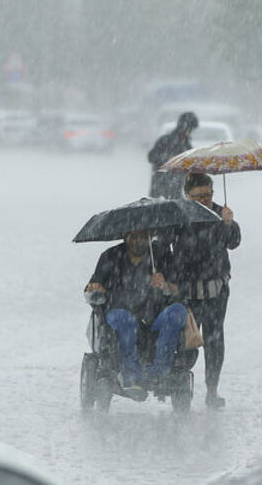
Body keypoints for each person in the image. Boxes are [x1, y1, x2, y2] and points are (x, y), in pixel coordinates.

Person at [84, 230, 186, 400]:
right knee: (124, 319)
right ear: (125, 236)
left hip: (154, 317)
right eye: (134, 236)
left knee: (178, 312)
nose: (139, 241)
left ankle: (159, 374)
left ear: (149, 237)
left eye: (143, 236)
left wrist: (165, 285)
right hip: (119, 314)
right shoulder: (110, 256)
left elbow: (181, 289)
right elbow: (92, 287)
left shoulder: (162, 255)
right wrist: (96, 289)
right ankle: (131, 375)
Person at [171, 173, 241, 408]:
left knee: (215, 339)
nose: (204, 200)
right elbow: (162, 246)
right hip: (188, 293)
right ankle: (181, 389)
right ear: (186, 195)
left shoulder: (221, 214)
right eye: (198, 196)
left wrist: (229, 224)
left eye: (208, 195)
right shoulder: (178, 215)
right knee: (188, 340)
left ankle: (212, 390)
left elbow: (234, 242)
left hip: (216, 292)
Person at [148, 112, 198, 199]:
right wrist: (168, 158)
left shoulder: (187, 146)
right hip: (159, 189)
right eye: (190, 129)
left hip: (176, 190)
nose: (190, 132)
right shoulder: (165, 140)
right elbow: (151, 156)